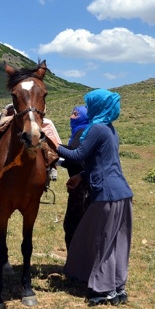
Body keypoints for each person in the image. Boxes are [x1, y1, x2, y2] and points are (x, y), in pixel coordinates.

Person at [55, 89, 133, 307]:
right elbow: (102, 164)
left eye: (90, 105)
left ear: (99, 106)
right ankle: (118, 288)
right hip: (121, 194)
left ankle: (104, 290)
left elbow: (77, 155)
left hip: (106, 195)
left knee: (100, 240)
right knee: (116, 242)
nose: (87, 109)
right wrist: (81, 176)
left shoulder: (97, 129)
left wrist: (50, 143)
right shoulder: (110, 130)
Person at [58, 105, 91, 250]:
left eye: (76, 114)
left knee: (73, 223)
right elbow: (74, 161)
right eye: (72, 113)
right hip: (81, 183)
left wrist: (52, 145)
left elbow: (74, 154)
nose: (71, 117)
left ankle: (75, 263)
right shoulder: (80, 131)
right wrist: (58, 162)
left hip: (82, 186)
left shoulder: (82, 132)